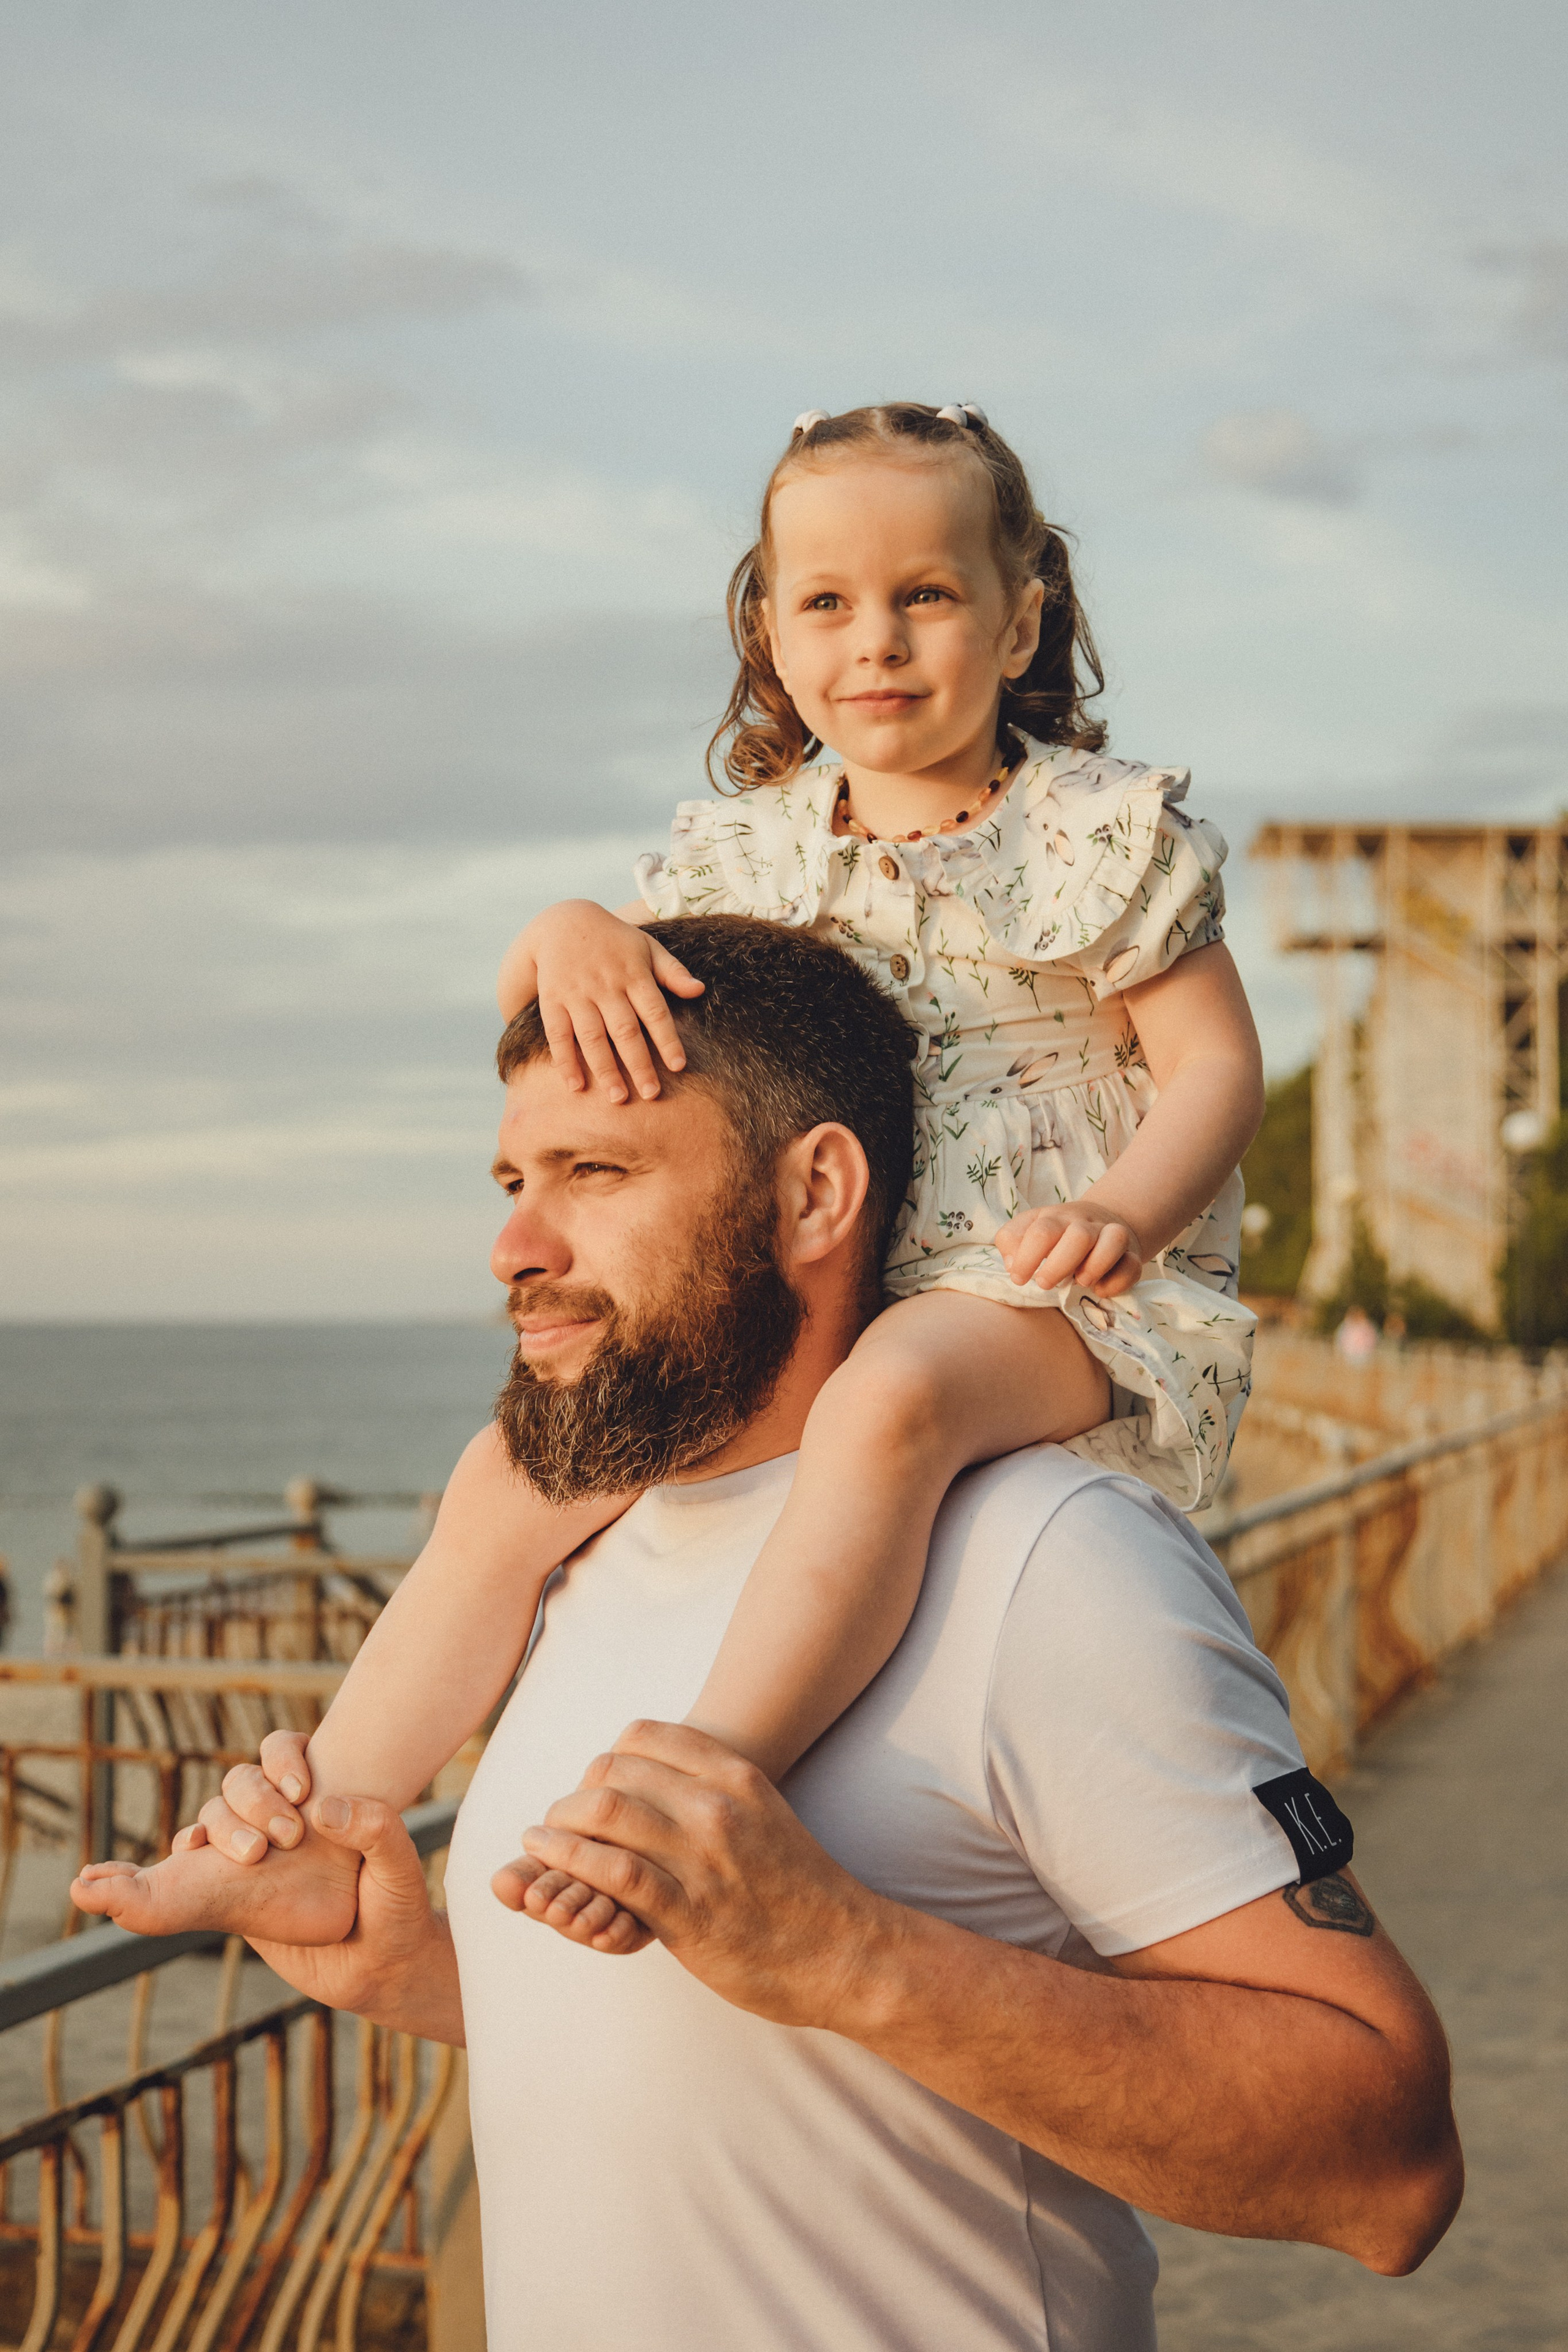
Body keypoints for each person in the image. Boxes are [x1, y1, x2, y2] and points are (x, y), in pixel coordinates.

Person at [73, 916, 1460, 2350]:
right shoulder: (571, 1554)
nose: (511, 1247)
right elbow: (749, 2069)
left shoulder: (1047, 1560)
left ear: (813, 1194)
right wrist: (403, 1967)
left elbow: (1389, 2168)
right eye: (509, 1180)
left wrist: (851, 1952)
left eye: (593, 1174)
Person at [102, 400, 1265, 1954]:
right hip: (816, 1257)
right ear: (770, 632)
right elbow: (559, 1010)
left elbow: (1212, 1068)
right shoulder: (743, 857)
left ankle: (710, 1771)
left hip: (1039, 1277)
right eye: (826, 602)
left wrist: (1122, 1214)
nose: (878, 640)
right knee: (510, 1477)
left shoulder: (1089, 834)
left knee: (892, 1400)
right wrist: (565, 925)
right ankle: (318, 1834)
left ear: (1018, 615)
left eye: (926, 594)